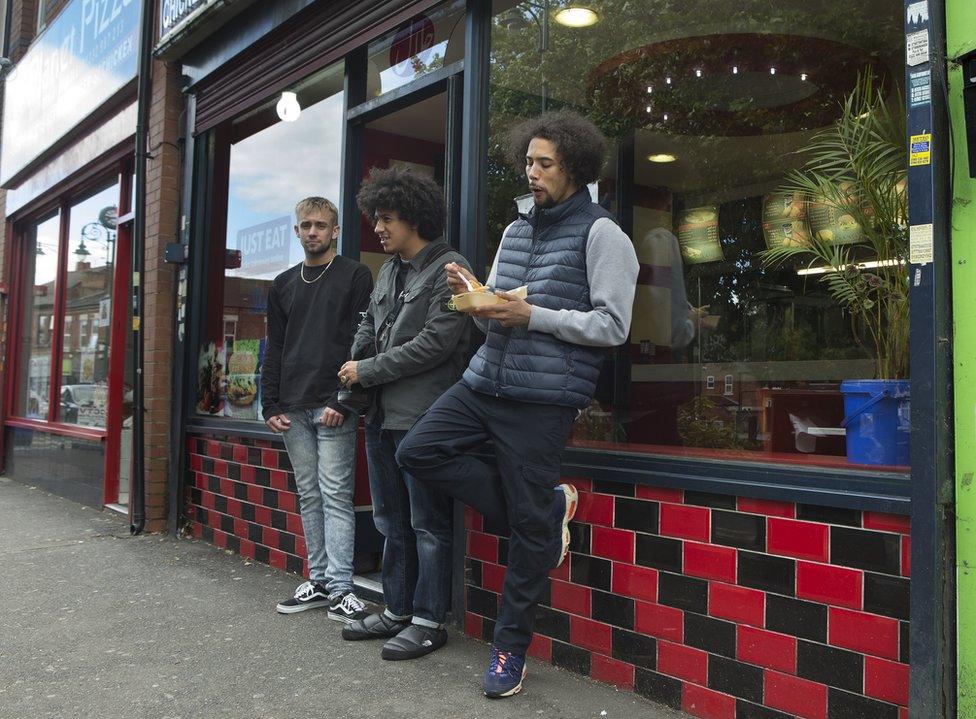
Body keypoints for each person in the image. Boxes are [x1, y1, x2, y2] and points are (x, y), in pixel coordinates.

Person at [396, 111, 639, 697]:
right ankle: (545, 513)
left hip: (542, 399)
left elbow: (613, 327)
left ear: (574, 168)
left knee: (527, 529)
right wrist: (472, 297)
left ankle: (509, 649)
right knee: (418, 451)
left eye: (544, 164)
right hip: (485, 382)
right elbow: (499, 306)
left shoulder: (604, 235)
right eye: (528, 161)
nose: (531, 173)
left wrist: (535, 315)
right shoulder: (516, 229)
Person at [338, 166, 473, 660]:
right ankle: (396, 610)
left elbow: (436, 345)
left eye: (387, 218)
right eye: (376, 217)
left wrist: (366, 370)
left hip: (425, 418)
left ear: (414, 216)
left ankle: (429, 620)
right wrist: (352, 369)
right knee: (391, 520)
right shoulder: (388, 269)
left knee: (428, 524)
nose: (378, 227)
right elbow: (368, 325)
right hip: (381, 418)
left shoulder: (451, 269)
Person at [262, 196, 373, 623]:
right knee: (310, 495)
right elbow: (275, 349)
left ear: (335, 231)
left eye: (321, 226)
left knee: (336, 496)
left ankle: (342, 588)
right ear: (296, 231)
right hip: (292, 407)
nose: (313, 232)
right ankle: (320, 580)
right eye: (306, 225)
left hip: (333, 407)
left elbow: (361, 343)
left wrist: (343, 402)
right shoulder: (284, 283)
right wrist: (268, 403)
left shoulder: (354, 276)